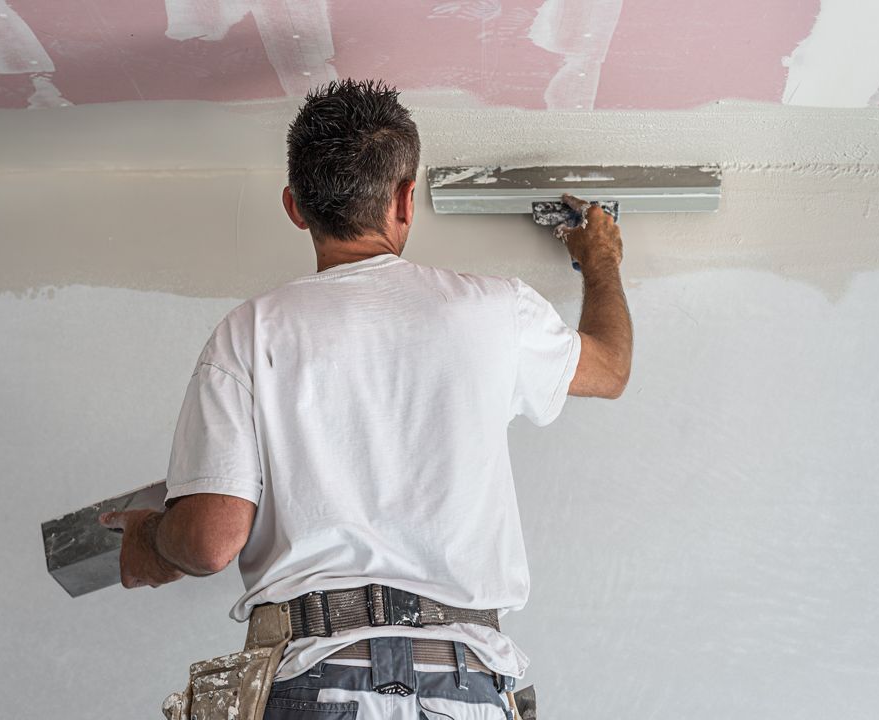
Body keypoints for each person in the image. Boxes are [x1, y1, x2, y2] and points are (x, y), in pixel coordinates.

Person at [100, 78, 632, 720]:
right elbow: (611, 368)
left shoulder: (250, 333)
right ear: (406, 199)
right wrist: (601, 258)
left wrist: (152, 539)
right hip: (466, 685)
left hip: (317, 679)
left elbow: (211, 540)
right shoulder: (496, 310)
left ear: (295, 207)